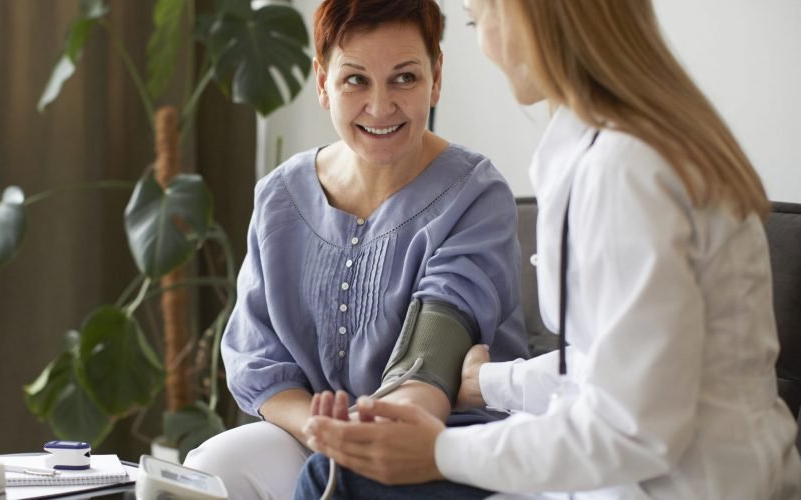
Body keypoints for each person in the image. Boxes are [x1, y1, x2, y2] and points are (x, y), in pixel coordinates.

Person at [296, 0, 801, 498]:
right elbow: (615, 366)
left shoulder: (624, 171)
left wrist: (438, 452)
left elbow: (633, 429)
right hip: (645, 476)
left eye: (479, 20)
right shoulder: (626, 146)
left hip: (664, 486)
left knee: (335, 479)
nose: (486, 45)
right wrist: (490, 383)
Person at [182, 1, 530, 499]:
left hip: (443, 437)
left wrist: (373, 436)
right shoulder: (281, 196)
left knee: (344, 481)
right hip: (317, 433)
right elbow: (258, 358)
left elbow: (437, 343)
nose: (380, 106)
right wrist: (322, 429)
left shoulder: (475, 193)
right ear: (323, 82)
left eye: (404, 78)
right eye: (356, 80)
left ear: (435, 78)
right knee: (214, 468)